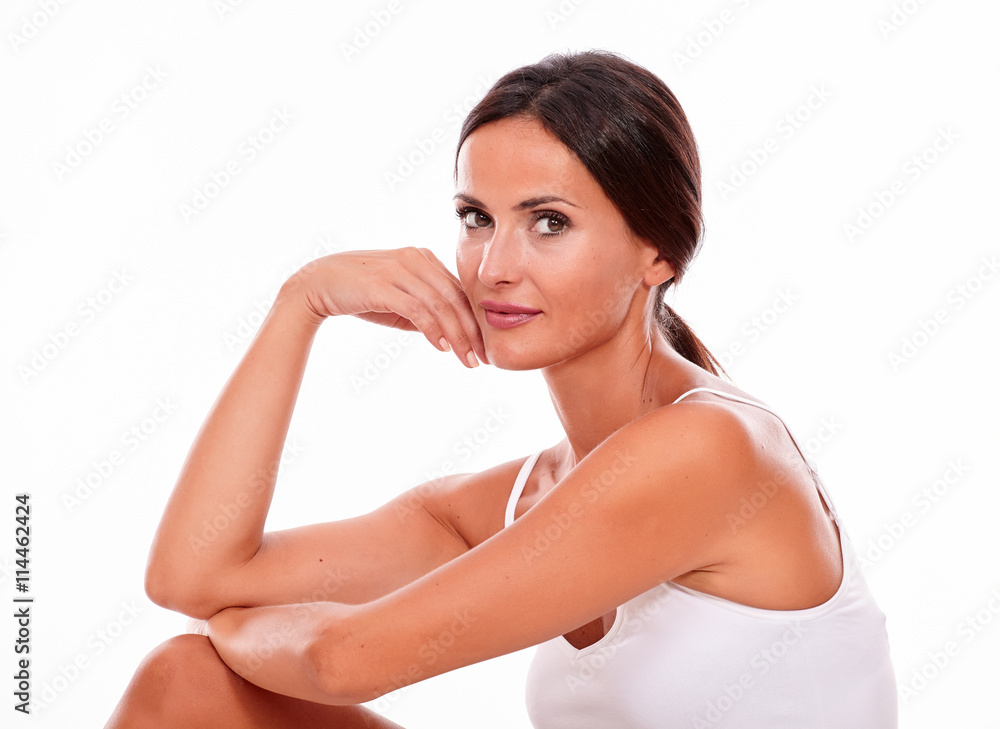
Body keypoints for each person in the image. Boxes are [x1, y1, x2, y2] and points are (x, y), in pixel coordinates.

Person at [104, 49, 898, 728]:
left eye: (549, 222)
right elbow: (191, 578)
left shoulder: (711, 449)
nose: (493, 266)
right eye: (476, 217)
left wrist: (232, 628)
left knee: (204, 659)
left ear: (657, 252)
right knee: (186, 681)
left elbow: (343, 661)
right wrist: (302, 302)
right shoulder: (523, 496)